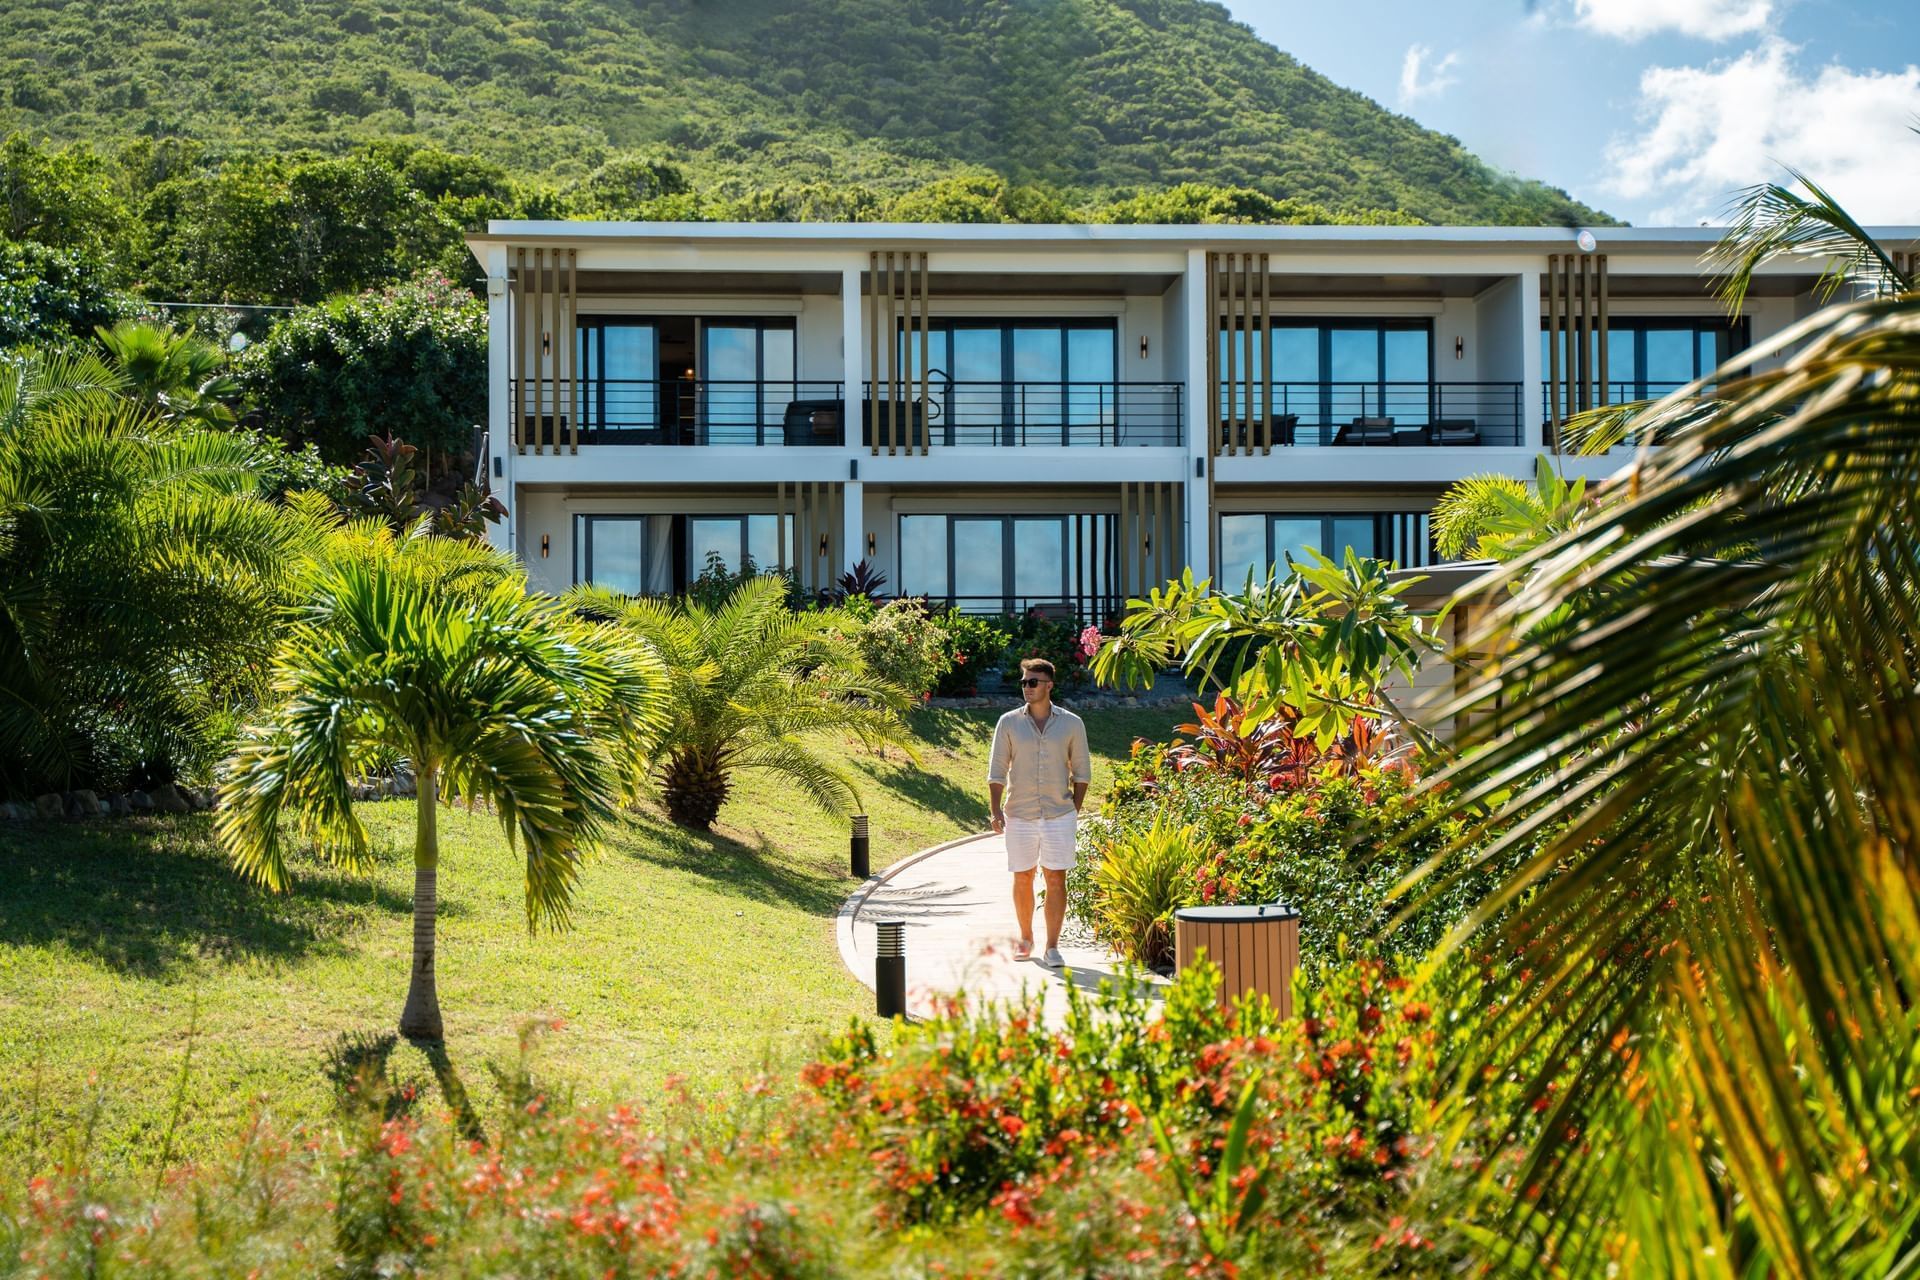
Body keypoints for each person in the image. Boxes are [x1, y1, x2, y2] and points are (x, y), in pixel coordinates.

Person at [986, 657, 1091, 968]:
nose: (1026, 688)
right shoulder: (1008, 722)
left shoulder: (1072, 724)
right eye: (1023, 682)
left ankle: (1053, 946)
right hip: (1019, 813)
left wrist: (1074, 810)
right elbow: (996, 770)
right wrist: (995, 809)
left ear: (1048, 686)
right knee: (1023, 876)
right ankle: (1026, 938)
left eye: (1033, 682)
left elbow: (1082, 772)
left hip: (1060, 814)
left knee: (1056, 878)